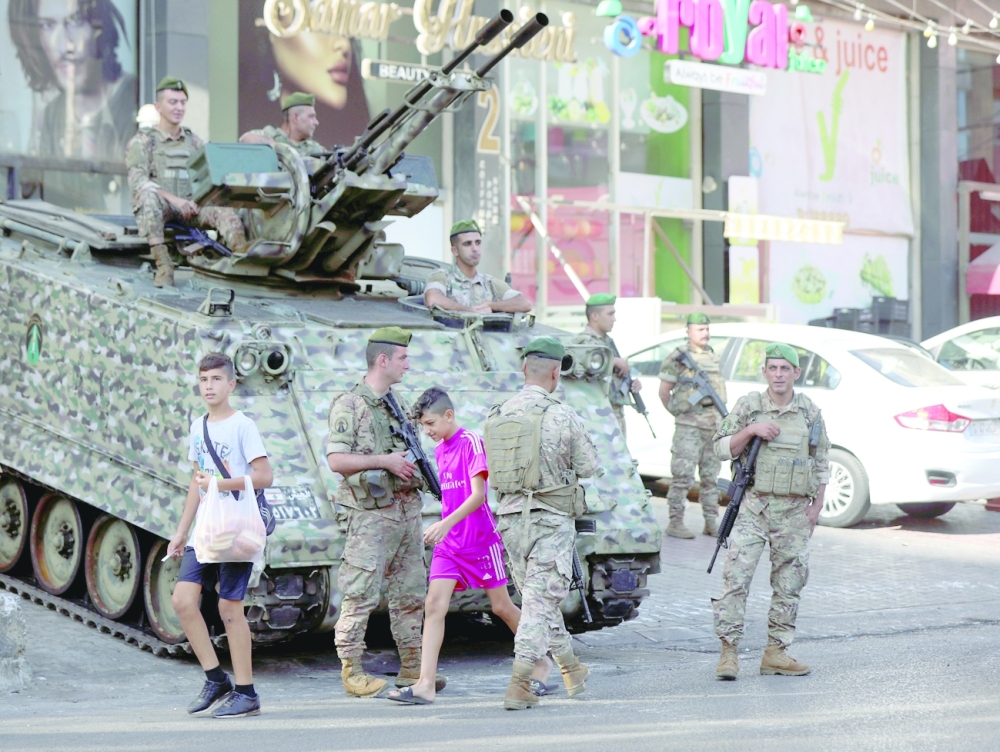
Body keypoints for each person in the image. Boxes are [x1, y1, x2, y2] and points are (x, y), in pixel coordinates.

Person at [387, 387, 553, 705]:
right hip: (449, 545)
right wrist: (446, 528)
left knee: (501, 607)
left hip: (479, 542)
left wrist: (444, 523)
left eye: (431, 423)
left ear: (449, 415)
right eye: (423, 426)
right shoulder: (440, 450)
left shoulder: (471, 443)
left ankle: (542, 659)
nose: (428, 431)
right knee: (434, 606)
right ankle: (424, 684)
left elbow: (478, 496)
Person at [485, 337, 598, 710]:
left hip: (511, 523)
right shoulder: (561, 414)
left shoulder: (497, 413)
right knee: (539, 604)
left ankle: (570, 668)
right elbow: (589, 467)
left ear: (523, 370)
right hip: (550, 522)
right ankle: (521, 683)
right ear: (555, 372)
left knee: (538, 601)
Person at [711, 342, 829, 680]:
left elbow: (821, 462)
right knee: (736, 581)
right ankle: (728, 653)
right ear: (764, 372)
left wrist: (817, 507)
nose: (778, 374)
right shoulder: (749, 406)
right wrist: (750, 430)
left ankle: (776, 652)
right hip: (753, 507)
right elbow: (720, 448)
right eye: (772, 368)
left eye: (785, 368)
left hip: (793, 512)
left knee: (789, 584)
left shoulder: (810, 412)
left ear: (796, 373)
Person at [166, 352, 274, 718]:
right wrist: (181, 532)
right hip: (206, 528)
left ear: (231, 384)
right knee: (183, 600)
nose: (209, 386)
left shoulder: (243, 425)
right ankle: (216, 679)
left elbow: (264, 476)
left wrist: (220, 483)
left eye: (216, 379)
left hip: (237, 528)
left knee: (230, 609)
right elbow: (196, 483)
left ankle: (246, 692)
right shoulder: (198, 427)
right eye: (203, 380)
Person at [325, 327, 432, 697]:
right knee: (361, 594)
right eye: (403, 357)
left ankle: (412, 667)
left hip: (406, 512)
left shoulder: (397, 403)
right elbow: (336, 460)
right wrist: (384, 461)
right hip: (370, 515)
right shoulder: (349, 404)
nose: (407, 364)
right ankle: (352, 670)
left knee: (411, 594)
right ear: (382, 360)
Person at [125, 76, 249, 287]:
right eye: (173, 102)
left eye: (183, 102)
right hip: (162, 208)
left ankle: (242, 257)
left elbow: (211, 178)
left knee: (224, 207)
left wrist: (198, 202)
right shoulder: (144, 141)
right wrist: (175, 200)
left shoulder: (194, 142)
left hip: (192, 208)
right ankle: (164, 266)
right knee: (146, 198)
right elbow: (138, 180)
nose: (179, 107)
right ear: (158, 106)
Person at [9, 0, 138, 160]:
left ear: (99, 28)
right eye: (47, 25)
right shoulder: (53, 115)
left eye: (76, 21)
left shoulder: (137, 99)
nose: (64, 46)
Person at [238, 1, 370, 148]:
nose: (344, 45)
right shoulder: (264, 137)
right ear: (273, 26)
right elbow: (246, 140)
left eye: (345, 29)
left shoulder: (317, 148)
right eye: (319, 23)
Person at [658, 313, 728, 539]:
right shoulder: (677, 358)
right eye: (700, 329)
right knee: (683, 477)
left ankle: (710, 522)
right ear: (688, 331)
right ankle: (675, 522)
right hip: (689, 428)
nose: (705, 333)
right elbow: (663, 392)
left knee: (710, 479)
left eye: (707, 329)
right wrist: (680, 414)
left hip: (712, 426)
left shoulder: (712, 356)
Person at [424, 220, 533, 314]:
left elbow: (524, 304)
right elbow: (432, 299)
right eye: (467, 244)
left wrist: (491, 306)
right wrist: (468, 311)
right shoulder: (443, 277)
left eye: (478, 243)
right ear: (455, 250)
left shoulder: (490, 283)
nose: (475, 248)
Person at [573, 293, 641, 439]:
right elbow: (584, 373)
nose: (614, 319)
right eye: (610, 314)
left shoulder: (607, 342)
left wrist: (631, 384)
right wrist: (613, 361)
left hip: (615, 413)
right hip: (597, 417)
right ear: (595, 316)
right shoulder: (584, 343)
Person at [239, 91, 325, 157]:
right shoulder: (270, 136)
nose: (316, 122)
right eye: (311, 116)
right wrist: (278, 147)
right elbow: (245, 139)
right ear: (296, 118)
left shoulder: (314, 148)